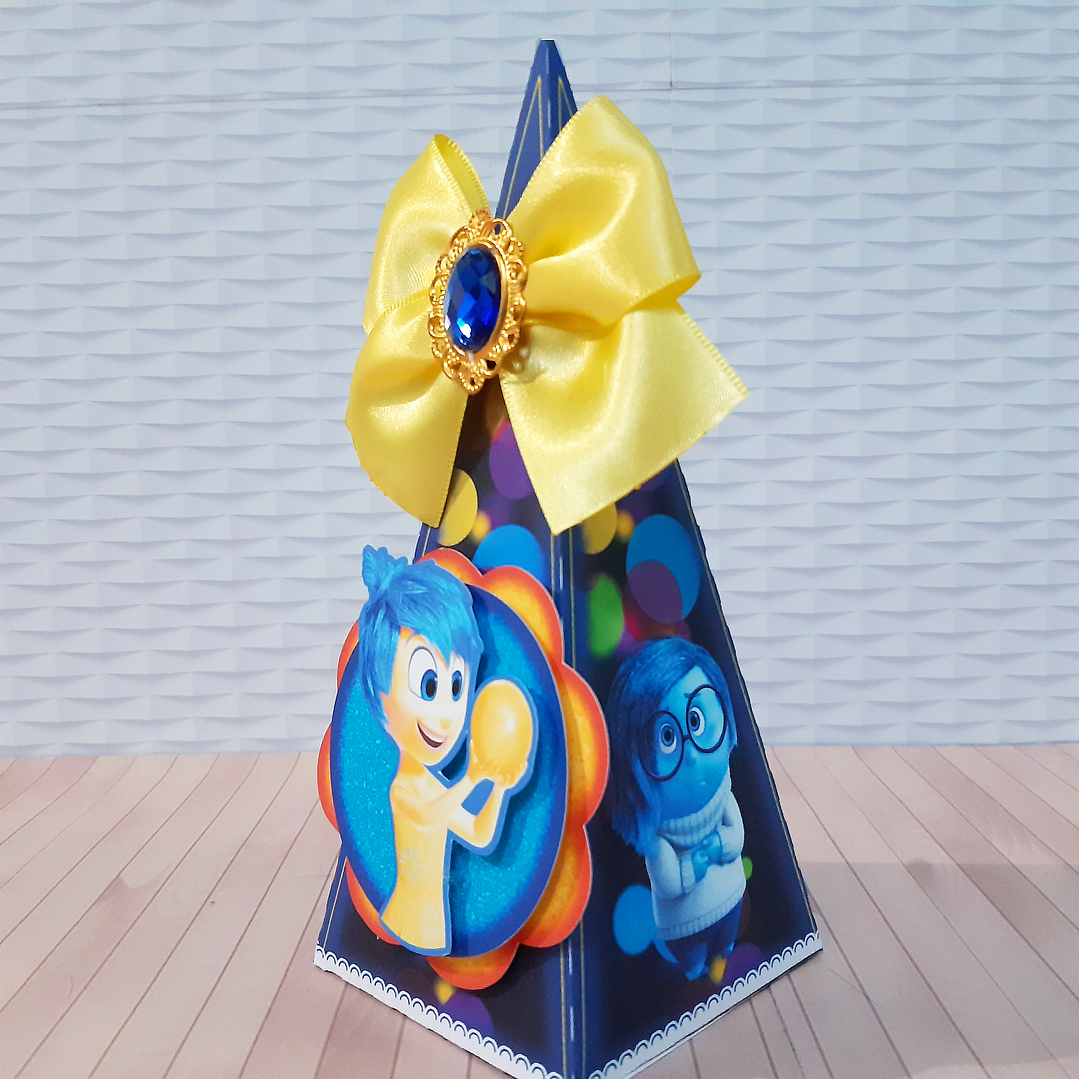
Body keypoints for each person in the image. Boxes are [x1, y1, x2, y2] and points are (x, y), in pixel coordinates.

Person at [357, 546, 534, 954]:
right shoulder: (404, 790)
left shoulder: (434, 787)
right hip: (403, 922)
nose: (445, 715)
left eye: (456, 687)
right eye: (428, 686)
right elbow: (428, 816)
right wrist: (473, 774)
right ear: (379, 697)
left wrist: (499, 785)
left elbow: (479, 833)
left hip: (433, 930)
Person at [607, 636, 745, 980]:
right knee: (694, 965)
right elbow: (668, 883)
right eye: (667, 738)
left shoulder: (724, 796)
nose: (692, 755)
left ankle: (725, 949)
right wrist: (692, 867)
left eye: (696, 722)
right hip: (684, 924)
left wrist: (721, 845)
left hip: (732, 896)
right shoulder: (655, 838)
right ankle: (695, 966)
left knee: (727, 948)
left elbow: (737, 838)